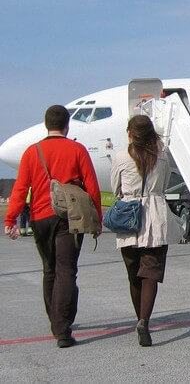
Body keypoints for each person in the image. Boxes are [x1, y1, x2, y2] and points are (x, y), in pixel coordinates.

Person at [3, 105, 102, 348]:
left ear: (46, 124)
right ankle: (63, 329)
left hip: (39, 217)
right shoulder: (77, 150)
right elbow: (92, 186)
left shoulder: (31, 152)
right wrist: (97, 218)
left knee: (49, 270)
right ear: (67, 125)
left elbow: (20, 189)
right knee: (67, 270)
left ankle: (54, 318)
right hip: (70, 217)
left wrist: (10, 219)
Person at [110, 115, 183, 347]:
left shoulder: (121, 157)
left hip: (129, 217)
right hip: (155, 214)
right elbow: (163, 185)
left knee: (134, 274)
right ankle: (144, 320)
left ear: (130, 133)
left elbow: (115, 188)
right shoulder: (161, 156)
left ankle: (138, 318)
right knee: (150, 272)